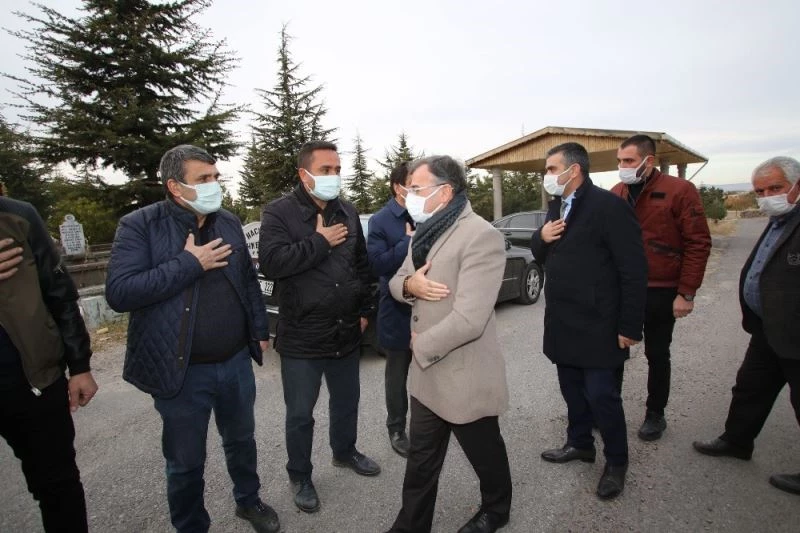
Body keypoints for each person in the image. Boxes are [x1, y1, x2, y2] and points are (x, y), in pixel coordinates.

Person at [105, 145, 279, 533]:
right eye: (203, 179)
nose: (214, 185)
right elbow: (120, 292)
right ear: (174, 186)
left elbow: (247, 281)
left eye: (216, 177)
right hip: (180, 369)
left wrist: (258, 330)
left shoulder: (228, 221)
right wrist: (189, 264)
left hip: (235, 361)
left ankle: (249, 501)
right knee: (185, 461)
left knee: (242, 441)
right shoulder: (140, 225)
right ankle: (190, 525)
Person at [385, 155, 512, 533]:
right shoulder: (425, 232)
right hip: (427, 379)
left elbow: (470, 319)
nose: (409, 195)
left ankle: (497, 510)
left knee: (484, 453)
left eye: (416, 188)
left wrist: (420, 345)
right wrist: (410, 285)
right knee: (421, 462)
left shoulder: (481, 236)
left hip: (463, 373)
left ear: (445, 192)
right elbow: (396, 281)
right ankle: (410, 526)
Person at [258, 140, 380, 514]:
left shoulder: (347, 210)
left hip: (346, 328)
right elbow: (272, 263)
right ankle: (300, 475)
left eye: (337, 169)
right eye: (326, 170)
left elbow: (362, 266)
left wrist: (365, 309)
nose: (334, 176)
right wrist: (318, 241)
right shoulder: (279, 212)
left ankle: (345, 451)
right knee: (300, 414)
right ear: (304, 174)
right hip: (302, 334)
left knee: (346, 402)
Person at [532, 142, 647, 500]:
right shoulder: (556, 206)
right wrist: (540, 237)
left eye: (552, 169)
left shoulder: (608, 207)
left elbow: (633, 270)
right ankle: (580, 443)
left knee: (601, 396)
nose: (547, 176)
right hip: (563, 321)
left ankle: (616, 462)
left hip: (599, 323)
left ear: (574, 170)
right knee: (571, 390)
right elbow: (543, 253)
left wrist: (630, 326)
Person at [693, 156, 800, 495]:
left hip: (795, 334)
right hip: (768, 329)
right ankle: (737, 441)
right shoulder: (779, 220)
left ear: (797, 186)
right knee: (750, 388)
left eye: (775, 188)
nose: (767, 196)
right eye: (760, 191)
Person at [1, 191, 98, 532]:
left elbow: (60, 294)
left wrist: (80, 366)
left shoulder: (18, 217)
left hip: (33, 382)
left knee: (57, 486)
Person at [611, 134, 712, 441]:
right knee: (613, 352)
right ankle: (607, 410)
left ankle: (655, 414)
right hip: (622, 289)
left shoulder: (679, 190)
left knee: (657, 354)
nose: (623, 167)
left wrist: (686, 292)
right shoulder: (616, 192)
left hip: (661, 289)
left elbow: (698, 242)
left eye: (629, 161)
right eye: (620, 161)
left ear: (649, 161)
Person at [367, 162, 415, 457]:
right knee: (397, 376)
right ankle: (396, 429)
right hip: (397, 310)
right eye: (413, 183)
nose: (420, 189)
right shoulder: (381, 220)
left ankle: (429, 426)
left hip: (430, 307)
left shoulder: (429, 212)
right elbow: (377, 264)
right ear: (399, 187)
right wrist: (406, 243)